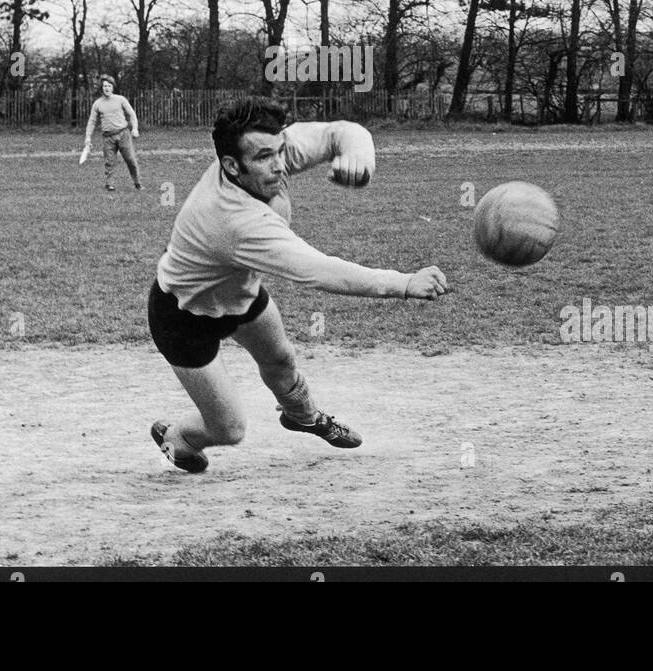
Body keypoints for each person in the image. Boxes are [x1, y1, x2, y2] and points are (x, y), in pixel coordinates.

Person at [147, 97, 448, 473]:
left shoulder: (273, 150)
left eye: (279, 151)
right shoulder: (232, 221)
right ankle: (178, 439)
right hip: (183, 317)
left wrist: (358, 153)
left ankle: (303, 416)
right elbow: (319, 271)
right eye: (262, 158)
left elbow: (344, 131)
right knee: (229, 428)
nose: (278, 165)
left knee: (281, 360)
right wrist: (403, 282)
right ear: (231, 166)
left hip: (240, 294)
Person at [79, 75, 141, 191]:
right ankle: (109, 184)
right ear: (101, 88)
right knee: (109, 162)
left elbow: (132, 114)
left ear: (112, 87)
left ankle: (137, 183)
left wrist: (135, 128)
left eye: (109, 86)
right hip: (108, 137)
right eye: (104, 86)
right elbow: (91, 122)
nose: (106, 88)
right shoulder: (97, 104)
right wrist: (88, 137)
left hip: (123, 134)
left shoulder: (120, 99)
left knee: (131, 160)